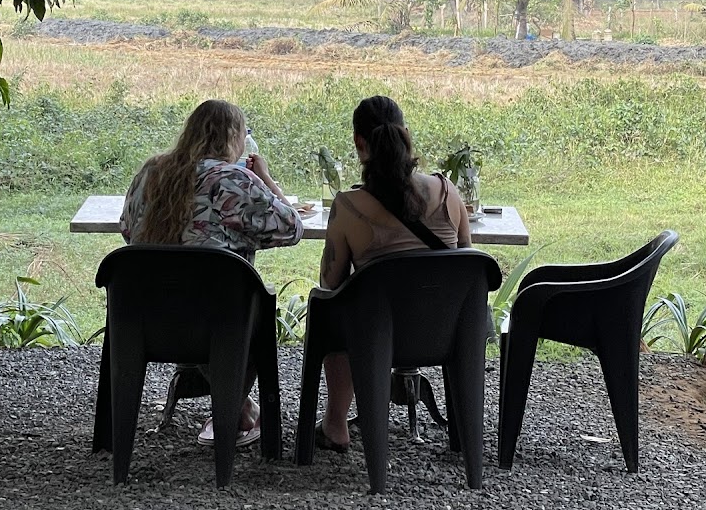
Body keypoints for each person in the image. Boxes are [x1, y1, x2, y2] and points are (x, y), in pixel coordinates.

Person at [119, 99, 303, 447]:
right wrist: (266, 180)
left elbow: (128, 231)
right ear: (234, 137)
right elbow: (291, 228)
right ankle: (234, 410)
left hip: (145, 316)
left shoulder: (149, 173)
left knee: (207, 292)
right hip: (218, 322)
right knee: (241, 299)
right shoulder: (233, 180)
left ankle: (236, 409)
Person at [316, 94, 471, 452]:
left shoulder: (348, 207)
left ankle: (336, 422)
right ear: (406, 134)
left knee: (332, 312)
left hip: (374, 338)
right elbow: (465, 261)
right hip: (444, 332)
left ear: (359, 143)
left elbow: (330, 283)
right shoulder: (448, 192)